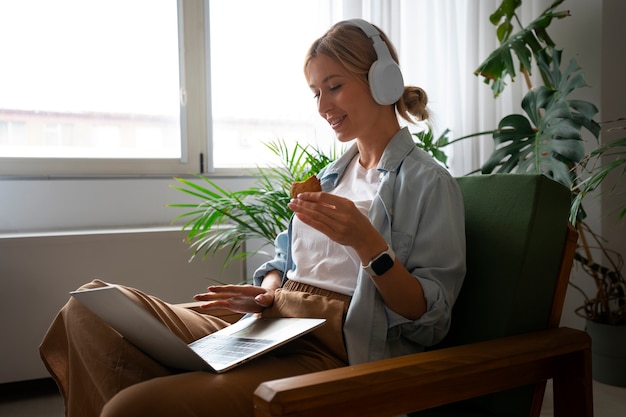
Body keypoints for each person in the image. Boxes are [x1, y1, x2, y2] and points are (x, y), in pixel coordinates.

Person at [40, 19, 466, 417]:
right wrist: (266, 291)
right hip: (270, 319)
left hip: (331, 345)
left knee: (131, 407)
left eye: (333, 87)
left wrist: (368, 246)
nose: (323, 106)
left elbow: (429, 320)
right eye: (316, 93)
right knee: (87, 309)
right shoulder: (332, 177)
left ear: (381, 79)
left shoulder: (428, 182)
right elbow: (284, 262)